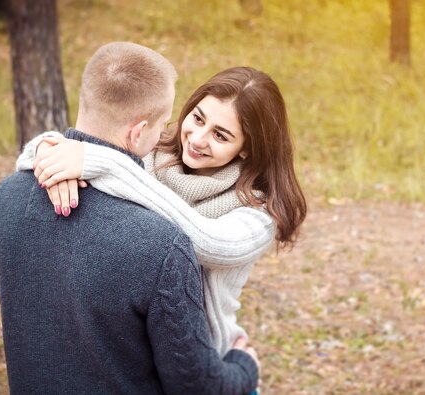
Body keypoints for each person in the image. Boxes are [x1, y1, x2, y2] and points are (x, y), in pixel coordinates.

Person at [0, 42, 260, 394]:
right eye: (163, 124)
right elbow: (195, 385)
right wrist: (244, 366)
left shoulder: (4, 198)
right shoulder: (161, 245)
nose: (174, 134)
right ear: (138, 131)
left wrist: (48, 148)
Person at [16, 67, 308, 359]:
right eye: (197, 118)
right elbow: (34, 155)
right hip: (128, 347)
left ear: (246, 149)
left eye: (220, 135)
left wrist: (103, 164)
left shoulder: (257, 210)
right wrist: (50, 153)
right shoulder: (147, 153)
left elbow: (211, 244)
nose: (197, 138)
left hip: (205, 365)